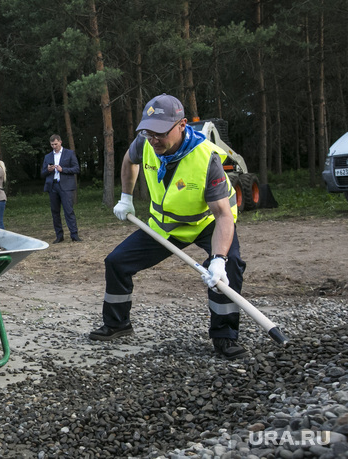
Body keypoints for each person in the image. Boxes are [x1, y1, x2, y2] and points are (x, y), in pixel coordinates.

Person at [89, 93, 246, 360]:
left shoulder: (207, 159)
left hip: (206, 224)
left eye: (161, 132)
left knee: (228, 270)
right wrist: (125, 198)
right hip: (165, 226)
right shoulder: (146, 142)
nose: (153, 138)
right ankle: (118, 324)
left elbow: (222, 216)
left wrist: (218, 259)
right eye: (149, 131)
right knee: (116, 262)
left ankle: (224, 337)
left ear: (182, 125)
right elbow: (129, 160)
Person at [41, 134, 81, 243]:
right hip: (52, 186)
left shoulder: (69, 153)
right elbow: (42, 173)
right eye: (52, 145)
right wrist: (48, 170)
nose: (54, 146)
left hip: (66, 187)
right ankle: (59, 236)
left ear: (60, 142)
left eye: (56, 144)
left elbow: (76, 169)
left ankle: (74, 235)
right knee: (55, 212)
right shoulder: (48, 156)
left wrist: (63, 170)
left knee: (69, 211)